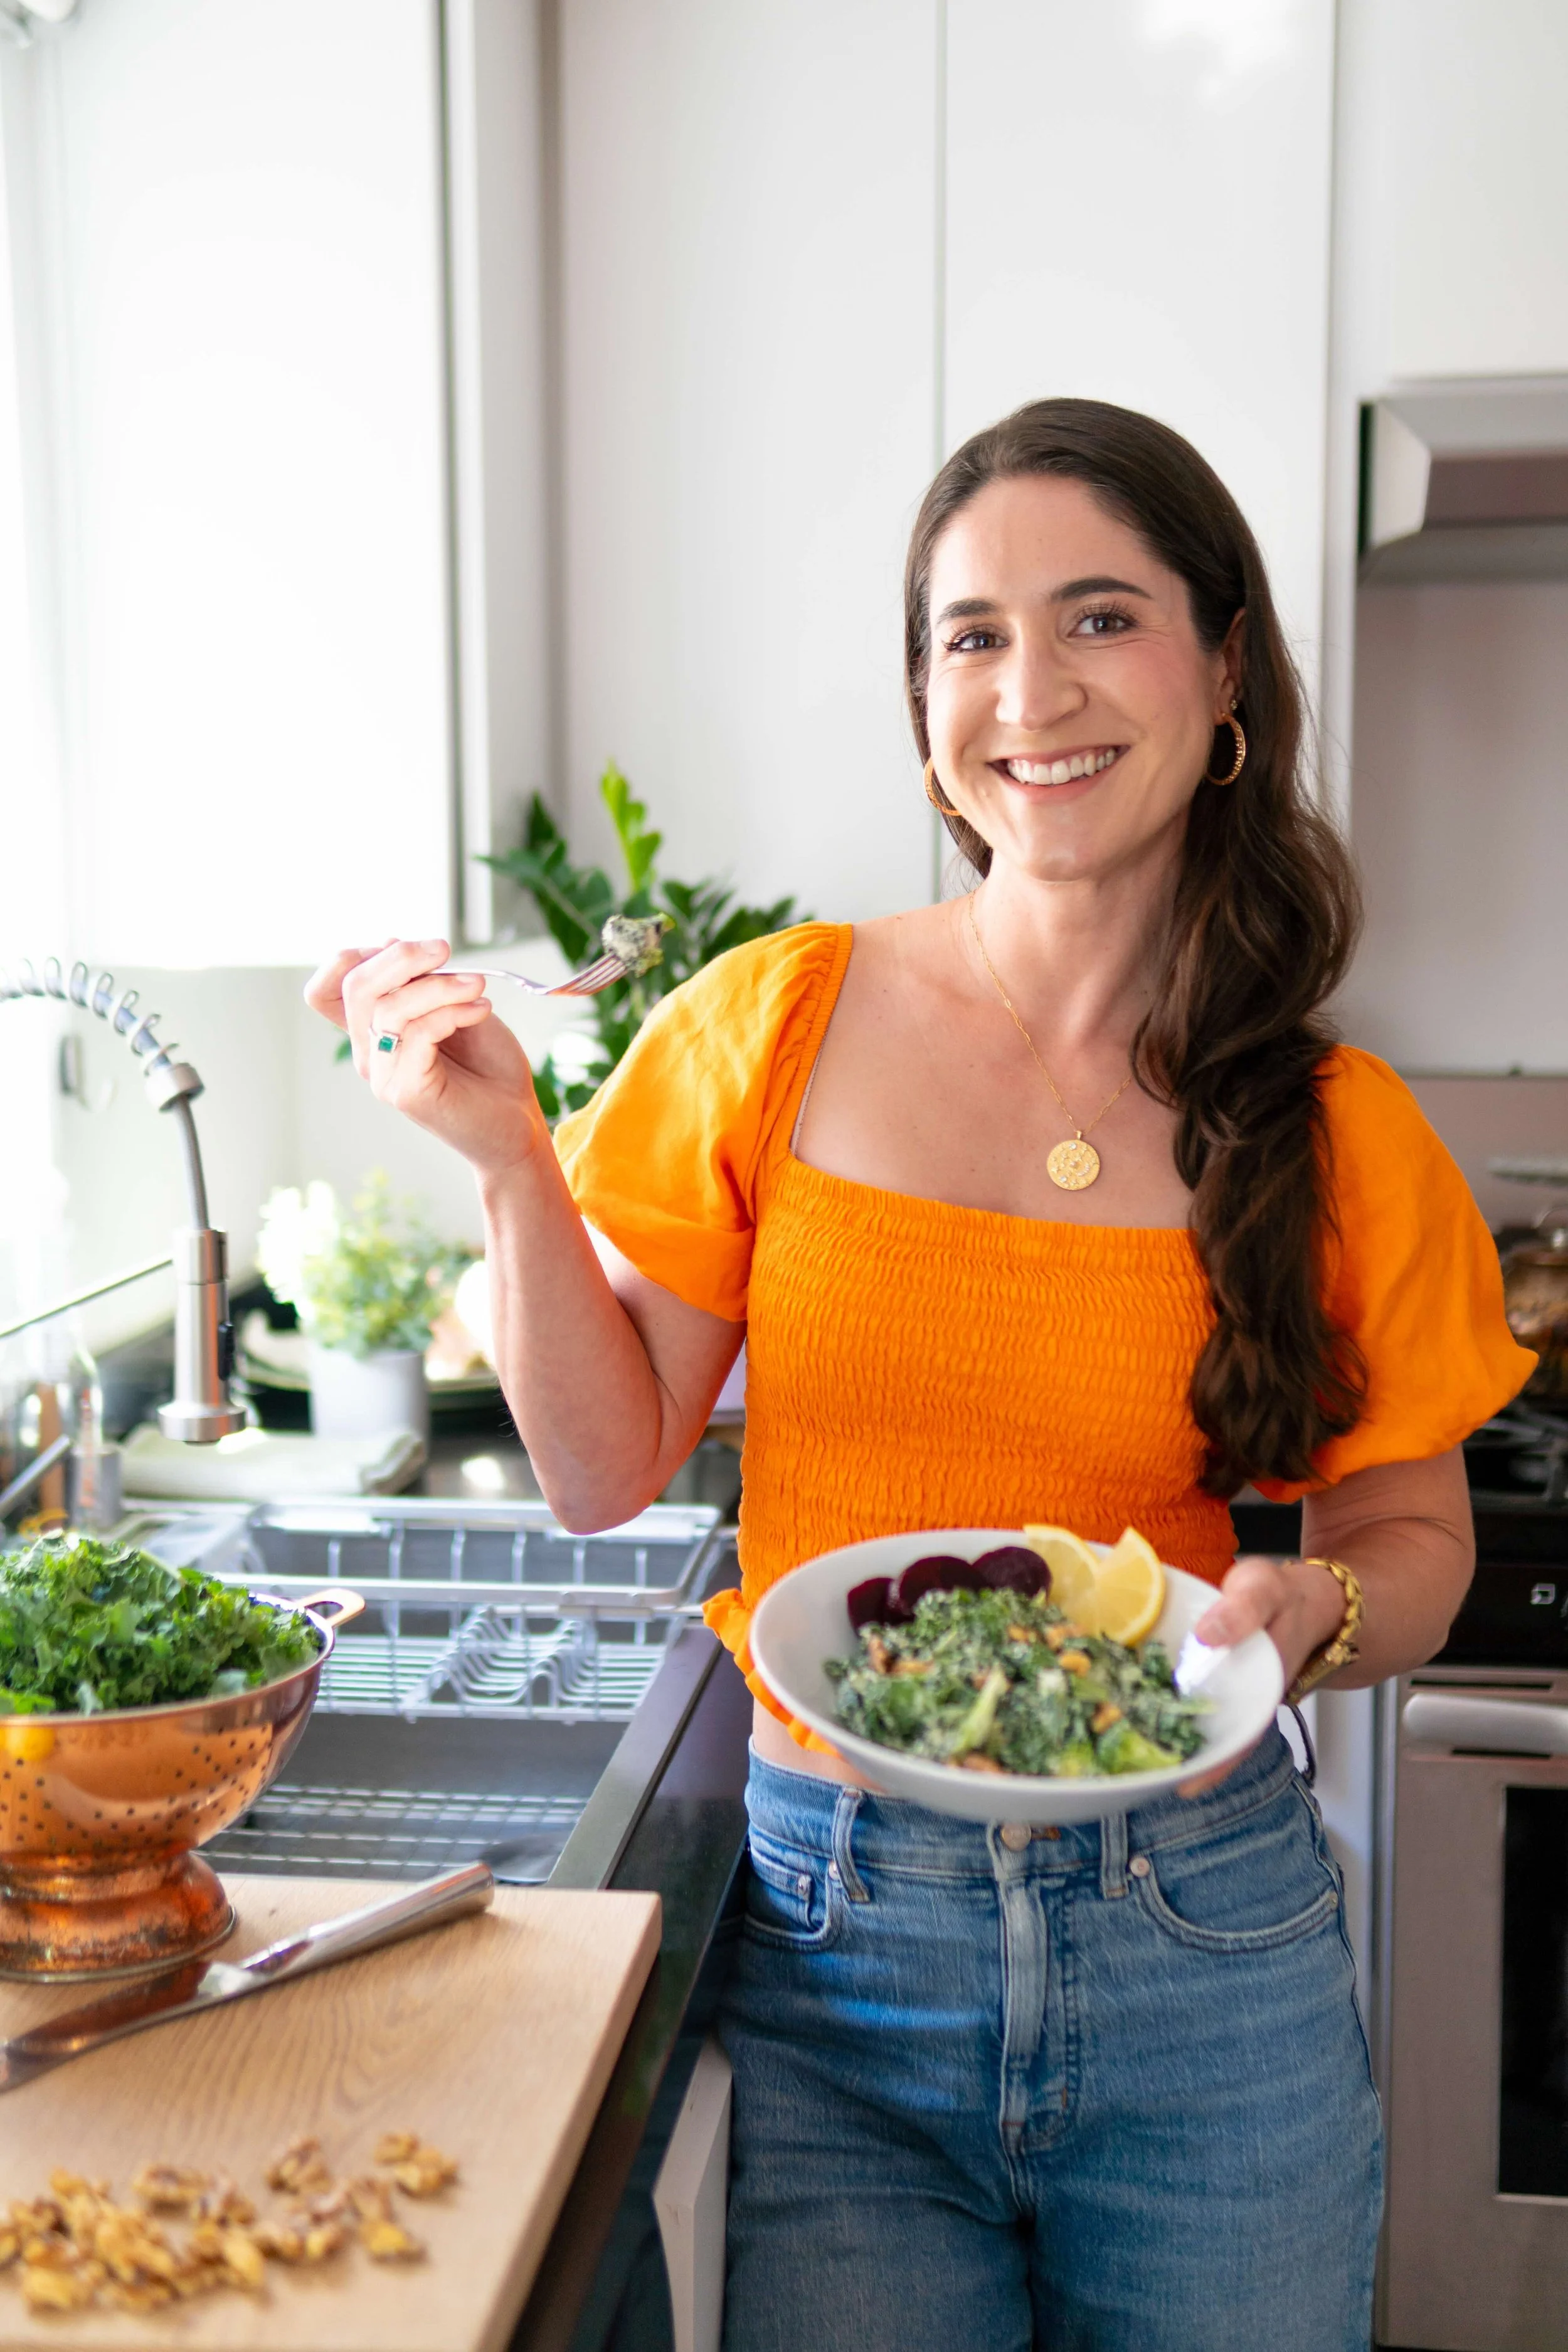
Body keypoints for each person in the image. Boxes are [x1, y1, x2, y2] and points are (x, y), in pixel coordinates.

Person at [307, 398, 1532, 2352]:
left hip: (1202, 1945)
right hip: (833, 1945)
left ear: (1224, 671)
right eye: (969, 634)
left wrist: (1321, 1607)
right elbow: (601, 1465)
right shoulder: (774, 1021)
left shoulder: (1334, 1122)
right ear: (922, 698)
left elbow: (1414, 1538)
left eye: (1099, 617)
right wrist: (509, 1166)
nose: (1027, 688)